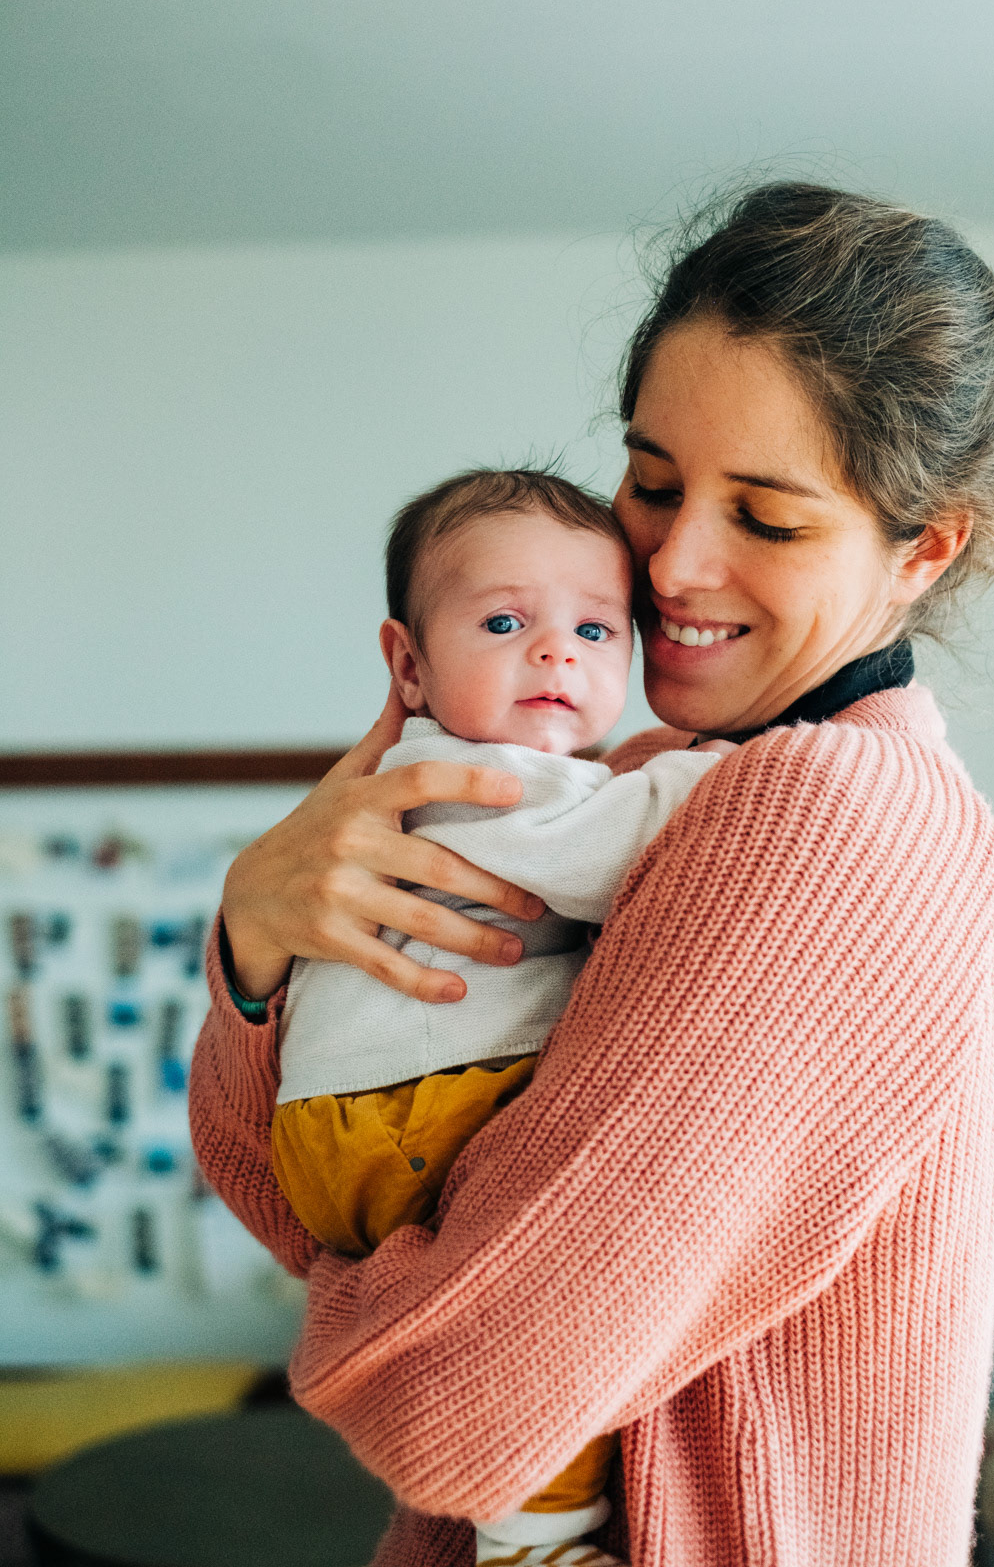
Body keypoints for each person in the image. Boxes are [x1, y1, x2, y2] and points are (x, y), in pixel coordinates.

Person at [190, 182, 994, 1566]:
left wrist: (356, 1302)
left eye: (766, 521)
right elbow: (280, 1183)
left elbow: (448, 1409)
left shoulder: (827, 814)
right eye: (650, 482)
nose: (669, 562)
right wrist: (255, 945)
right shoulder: (651, 777)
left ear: (923, 547)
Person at [271, 467, 726, 1566]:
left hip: (370, 1108)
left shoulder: (524, 772)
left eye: (593, 628)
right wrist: (731, 770)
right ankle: (536, 1533)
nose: (555, 652)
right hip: (417, 1098)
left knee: (511, 1321)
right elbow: (615, 844)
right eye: (505, 621)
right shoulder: (456, 773)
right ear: (409, 665)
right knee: (537, 1325)